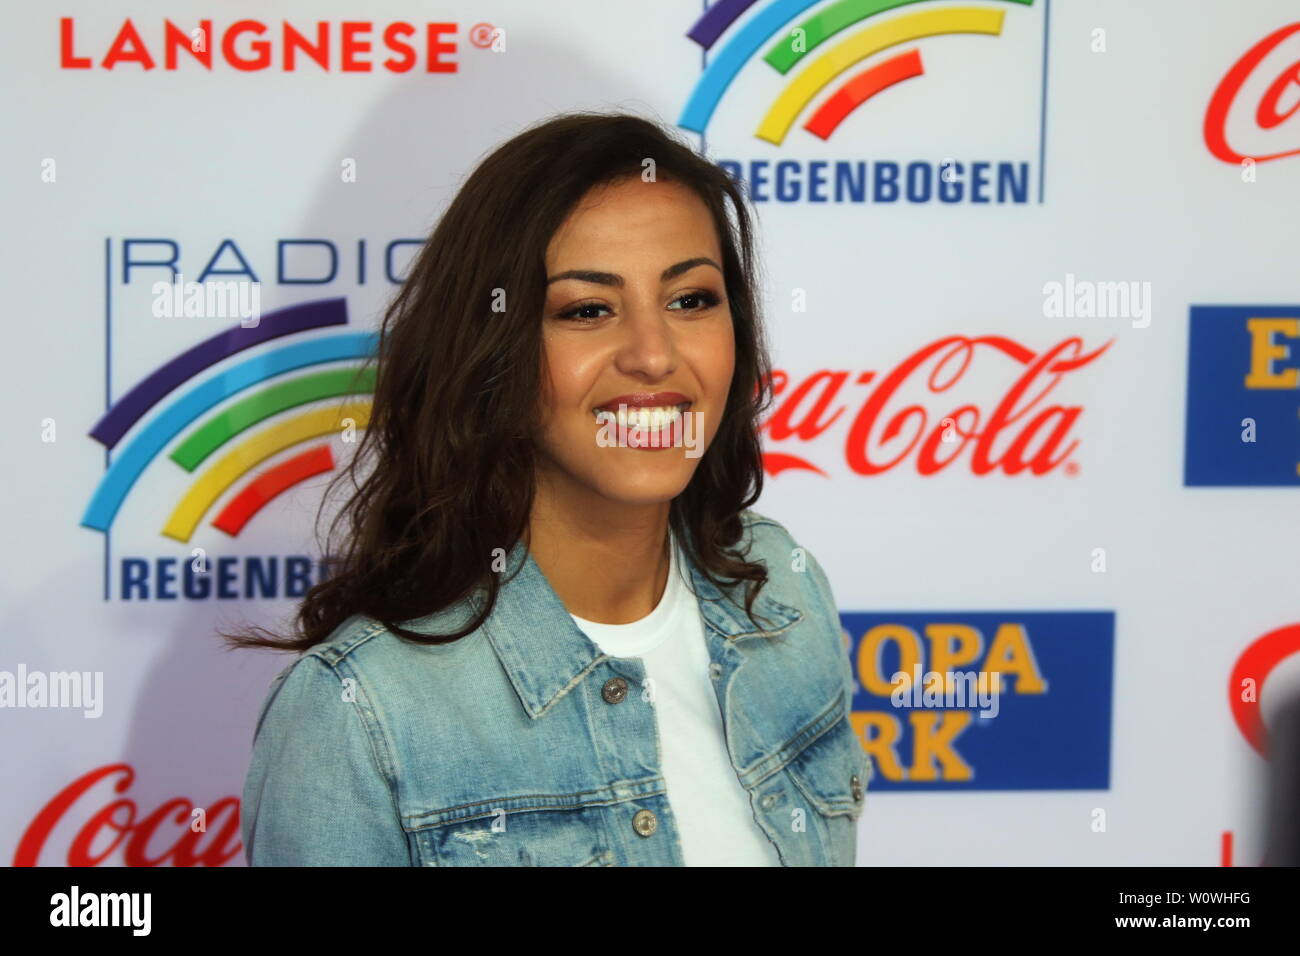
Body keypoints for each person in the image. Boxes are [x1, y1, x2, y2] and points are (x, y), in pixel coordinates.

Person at [230, 110, 871, 866]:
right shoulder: (361, 712)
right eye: (587, 310)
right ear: (491, 352)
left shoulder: (782, 599)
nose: (653, 355)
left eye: (690, 299)